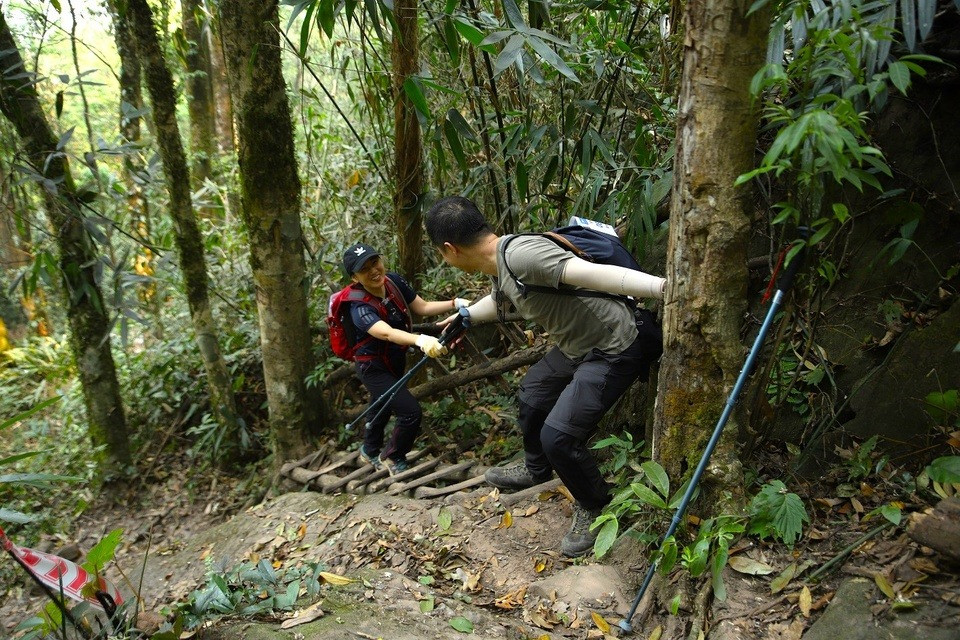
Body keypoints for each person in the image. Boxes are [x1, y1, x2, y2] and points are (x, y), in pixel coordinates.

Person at [425, 197, 665, 557]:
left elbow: (589, 275)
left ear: (449, 249)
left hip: (614, 345)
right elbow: (503, 299)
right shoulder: (501, 262)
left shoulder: (521, 255)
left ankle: (594, 503)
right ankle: (537, 470)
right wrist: (468, 316)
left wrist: (663, 288)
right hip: (576, 347)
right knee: (532, 395)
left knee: (558, 437)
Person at [341, 242, 469, 475]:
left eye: (375, 262)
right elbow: (385, 332)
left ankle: (369, 451)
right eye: (364, 269)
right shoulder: (357, 305)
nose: (374, 270)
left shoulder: (393, 282)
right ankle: (393, 457)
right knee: (410, 412)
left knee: (381, 403)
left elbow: (421, 306)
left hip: (394, 359)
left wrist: (454, 303)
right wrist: (420, 340)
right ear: (354, 278)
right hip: (373, 367)